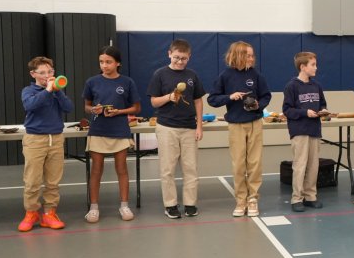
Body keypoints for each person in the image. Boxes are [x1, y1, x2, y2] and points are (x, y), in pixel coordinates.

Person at [208, 41, 271, 217]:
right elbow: (212, 99)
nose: (252, 58)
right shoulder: (225, 76)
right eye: (248, 55)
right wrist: (230, 97)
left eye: (252, 55)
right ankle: (241, 200)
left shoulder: (256, 75)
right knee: (238, 164)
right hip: (235, 125)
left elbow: (266, 95)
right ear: (238, 56)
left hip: (255, 123)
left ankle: (253, 200)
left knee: (254, 163)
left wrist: (259, 105)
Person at [146, 39, 206, 219]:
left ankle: (190, 203)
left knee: (191, 168)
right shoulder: (160, 74)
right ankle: (170, 205)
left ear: (189, 57)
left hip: (188, 128)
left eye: (184, 58)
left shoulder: (192, 75)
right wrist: (169, 97)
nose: (180, 61)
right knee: (168, 169)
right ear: (169, 54)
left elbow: (197, 100)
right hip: (166, 128)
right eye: (177, 57)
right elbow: (154, 101)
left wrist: (199, 126)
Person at [82, 46, 142, 223]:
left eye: (108, 62)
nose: (104, 65)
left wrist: (119, 112)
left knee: (122, 169)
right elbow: (87, 106)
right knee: (96, 170)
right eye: (101, 62)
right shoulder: (92, 82)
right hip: (98, 130)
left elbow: (137, 108)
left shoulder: (127, 82)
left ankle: (124, 205)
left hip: (119, 131)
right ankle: (94, 209)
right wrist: (93, 109)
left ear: (118, 63)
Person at [18, 56, 73, 232]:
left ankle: (49, 213)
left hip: (56, 139)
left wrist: (57, 91)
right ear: (33, 74)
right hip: (35, 139)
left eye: (50, 71)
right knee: (32, 180)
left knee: (53, 181)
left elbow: (69, 107)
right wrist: (48, 90)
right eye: (42, 73)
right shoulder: (29, 90)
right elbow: (30, 105)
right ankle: (31, 213)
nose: (47, 75)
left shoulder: (56, 91)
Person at [282, 51, 328, 212]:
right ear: (303, 67)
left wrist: (323, 111)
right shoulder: (292, 86)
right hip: (299, 131)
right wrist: (304, 113)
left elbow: (322, 103)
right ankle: (297, 198)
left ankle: (310, 196)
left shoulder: (317, 86)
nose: (316, 67)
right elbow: (287, 110)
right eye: (313, 64)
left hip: (314, 130)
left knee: (313, 165)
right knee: (300, 165)